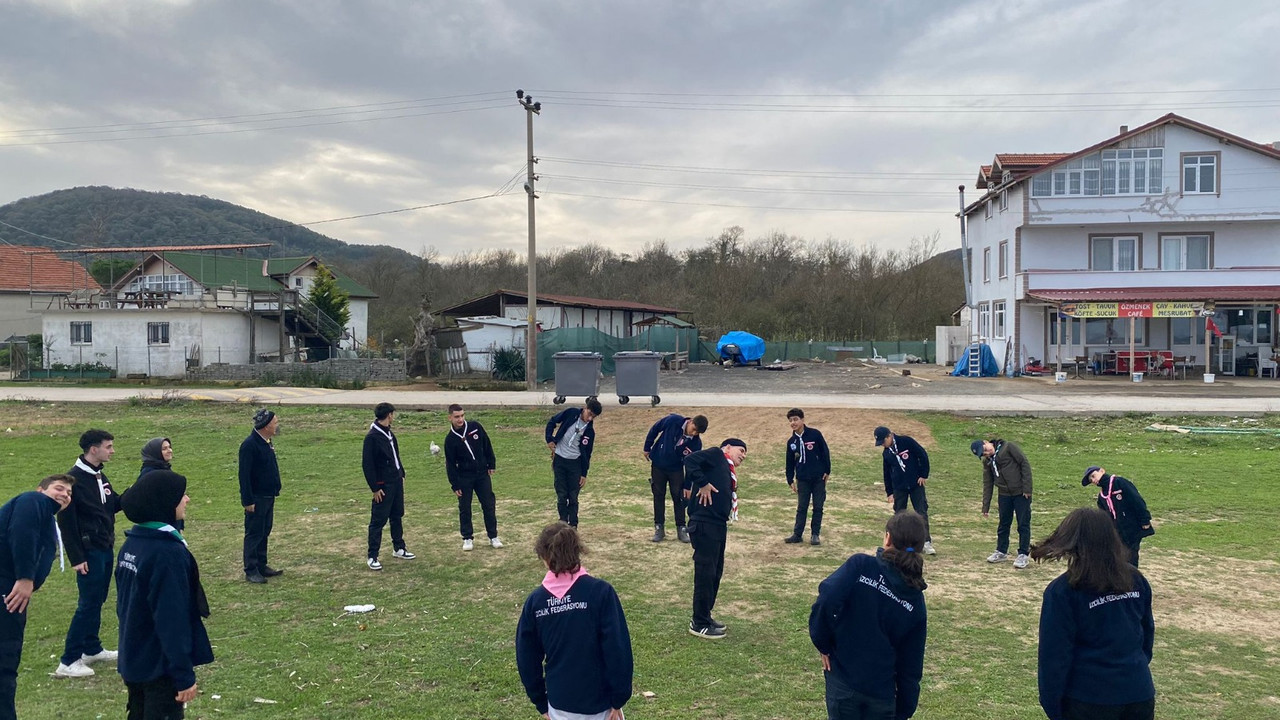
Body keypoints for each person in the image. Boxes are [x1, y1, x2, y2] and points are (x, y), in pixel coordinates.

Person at [1032, 507, 1155, 720]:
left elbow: (1054, 657)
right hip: (1138, 693)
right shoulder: (1135, 579)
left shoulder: (1063, 592)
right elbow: (1146, 637)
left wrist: (1052, 704)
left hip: (1090, 700)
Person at [809, 511, 928, 720]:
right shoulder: (915, 601)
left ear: (888, 538)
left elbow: (826, 598)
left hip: (844, 685)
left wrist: (822, 642)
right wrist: (904, 710)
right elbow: (911, 666)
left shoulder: (860, 566)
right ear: (919, 548)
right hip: (882, 696)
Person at [116, 469, 213, 720]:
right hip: (159, 666)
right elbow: (172, 618)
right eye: (181, 495)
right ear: (163, 503)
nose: (187, 499)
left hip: (135, 658)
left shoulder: (133, 544)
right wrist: (183, 674)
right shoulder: (166, 554)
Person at [515, 523, 633, 720]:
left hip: (560, 705)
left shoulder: (535, 602)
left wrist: (540, 702)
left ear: (544, 558)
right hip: (601, 706)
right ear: (578, 551)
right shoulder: (601, 592)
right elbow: (617, 649)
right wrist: (618, 698)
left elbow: (526, 658)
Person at [0, 475, 73, 720]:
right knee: (4, 664)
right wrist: (24, 578)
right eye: (59, 489)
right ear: (40, 489)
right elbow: (21, 533)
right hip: (8, 592)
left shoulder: (46, 516)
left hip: (10, 595)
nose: (65, 495)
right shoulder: (34, 501)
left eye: (69, 493)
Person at [55, 428, 122, 678]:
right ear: (94, 449)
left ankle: (91, 648)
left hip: (105, 547)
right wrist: (77, 557)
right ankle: (68, 660)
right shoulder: (72, 481)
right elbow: (66, 523)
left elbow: (114, 504)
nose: (112, 451)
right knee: (88, 603)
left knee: (98, 599)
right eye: (109, 446)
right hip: (89, 552)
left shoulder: (100, 476)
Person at [684, 438, 747, 640]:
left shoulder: (726, 467)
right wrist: (702, 483)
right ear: (728, 447)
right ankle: (699, 622)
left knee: (715, 572)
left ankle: (705, 616)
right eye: (741, 450)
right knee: (705, 573)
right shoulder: (715, 454)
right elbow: (690, 460)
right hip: (704, 523)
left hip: (718, 524)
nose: (743, 455)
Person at [363, 402, 414, 570]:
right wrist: (375, 488)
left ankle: (399, 547)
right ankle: (372, 555)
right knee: (378, 520)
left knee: (397, 515)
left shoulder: (390, 433)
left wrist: (401, 473)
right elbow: (368, 465)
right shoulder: (372, 437)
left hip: (396, 481)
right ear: (389, 415)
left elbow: (395, 455)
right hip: (383, 485)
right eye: (393, 414)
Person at [444, 404, 502, 551]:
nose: (460, 419)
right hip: (464, 477)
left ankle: (493, 536)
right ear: (450, 418)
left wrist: (491, 463)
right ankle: (467, 538)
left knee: (488, 505)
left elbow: (487, 444)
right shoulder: (450, 439)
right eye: (457, 417)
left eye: (462, 416)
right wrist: (455, 484)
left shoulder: (475, 426)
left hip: (482, 474)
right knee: (465, 507)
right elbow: (450, 464)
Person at [642, 413, 707, 543]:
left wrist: (688, 486)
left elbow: (691, 465)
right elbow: (655, 428)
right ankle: (659, 527)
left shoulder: (696, 444)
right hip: (658, 465)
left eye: (697, 432)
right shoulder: (673, 420)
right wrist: (647, 447)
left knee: (679, 497)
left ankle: (681, 528)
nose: (694, 433)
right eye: (694, 429)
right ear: (691, 421)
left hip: (676, 470)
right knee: (658, 495)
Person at [971, 438, 1033, 569]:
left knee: (1023, 523)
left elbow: (1024, 464)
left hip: (1021, 493)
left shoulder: (1008, 447)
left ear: (986, 442)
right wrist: (985, 506)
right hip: (1004, 494)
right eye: (983, 454)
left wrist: (1027, 488)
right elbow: (988, 483)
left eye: (985, 449)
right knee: (1004, 523)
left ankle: (1023, 554)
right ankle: (1001, 551)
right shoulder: (988, 462)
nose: (986, 453)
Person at [239, 409, 283, 584]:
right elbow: (244, 475)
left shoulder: (266, 442)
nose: (277, 425)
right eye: (275, 422)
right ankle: (251, 569)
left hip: (268, 495)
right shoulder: (249, 445)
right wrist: (247, 500)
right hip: (256, 498)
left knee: (265, 530)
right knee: (254, 532)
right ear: (265, 425)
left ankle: (261, 564)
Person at [876, 426, 935, 555]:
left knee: (921, 512)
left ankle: (926, 542)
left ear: (889, 436)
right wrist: (889, 492)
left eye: (883, 442)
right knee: (899, 515)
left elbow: (922, 455)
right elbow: (886, 473)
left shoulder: (906, 441)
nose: (883, 445)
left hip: (915, 484)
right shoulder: (886, 453)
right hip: (899, 487)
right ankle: (899, 543)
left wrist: (923, 474)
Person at [544, 399, 602, 528]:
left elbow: (588, 454)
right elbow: (552, 421)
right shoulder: (571, 413)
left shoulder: (589, 432)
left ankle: (573, 524)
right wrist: (549, 439)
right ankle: (563, 522)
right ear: (585, 408)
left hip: (575, 463)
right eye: (590, 414)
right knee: (561, 494)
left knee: (573, 495)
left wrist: (584, 473)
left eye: (594, 417)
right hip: (559, 459)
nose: (590, 418)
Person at [1081, 466, 1154, 567]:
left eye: (1094, 476)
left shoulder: (1119, 483)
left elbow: (1137, 500)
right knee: (1118, 557)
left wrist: (1145, 519)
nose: (1094, 480)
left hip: (1132, 528)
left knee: (1131, 556)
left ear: (1102, 471)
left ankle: (1133, 579)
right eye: (1091, 480)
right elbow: (1105, 516)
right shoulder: (1102, 496)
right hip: (1117, 532)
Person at [784, 409, 831, 546]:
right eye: (791, 420)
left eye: (796, 419)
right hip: (802, 478)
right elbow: (789, 461)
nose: (793, 423)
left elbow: (824, 452)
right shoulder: (791, 441)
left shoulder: (815, 435)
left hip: (818, 478)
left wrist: (827, 471)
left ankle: (815, 534)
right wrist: (790, 479)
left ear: (802, 420)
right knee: (802, 507)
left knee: (818, 506)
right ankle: (797, 534)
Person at [139, 438, 181, 531]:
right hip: (159, 523)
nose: (169, 450)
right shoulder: (149, 472)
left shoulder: (164, 468)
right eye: (164, 449)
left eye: (169, 447)